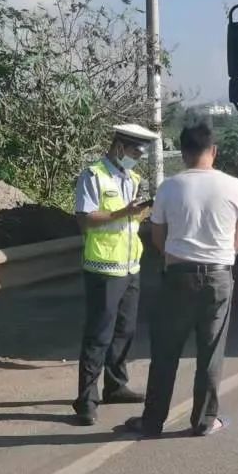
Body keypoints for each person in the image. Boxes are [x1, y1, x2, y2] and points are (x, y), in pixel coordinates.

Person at [124, 122, 238, 438]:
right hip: (219, 278)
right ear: (214, 151)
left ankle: (153, 421)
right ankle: (205, 421)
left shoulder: (170, 187)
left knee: (166, 351)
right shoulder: (234, 186)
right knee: (210, 352)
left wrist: (177, 256)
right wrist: (223, 256)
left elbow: (158, 237)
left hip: (178, 276)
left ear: (182, 153)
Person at [71, 123, 158, 426]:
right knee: (99, 335)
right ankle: (86, 399)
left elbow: (132, 220)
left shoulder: (132, 178)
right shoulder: (93, 176)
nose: (137, 158)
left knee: (125, 331)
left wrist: (144, 211)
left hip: (130, 266)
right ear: (120, 147)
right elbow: (85, 219)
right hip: (103, 268)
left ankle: (116, 385)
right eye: (135, 151)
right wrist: (126, 212)